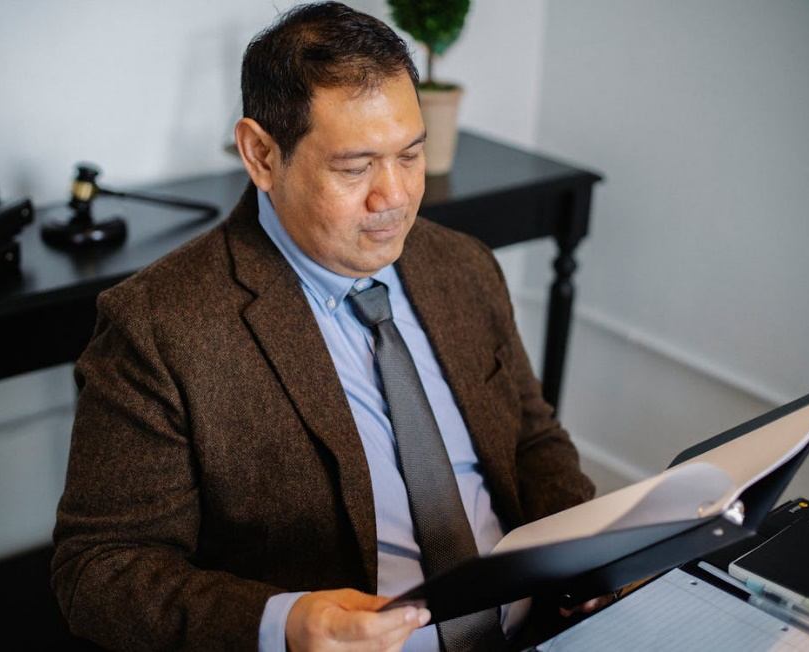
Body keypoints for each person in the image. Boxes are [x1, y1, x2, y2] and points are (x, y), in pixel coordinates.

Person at [51, 3, 596, 650]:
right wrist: (287, 623)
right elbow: (100, 573)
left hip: (548, 627)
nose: (393, 197)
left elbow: (532, 439)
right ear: (260, 154)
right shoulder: (157, 329)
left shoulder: (464, 266)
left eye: (411, 155)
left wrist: (595, 554)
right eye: (355, 167)